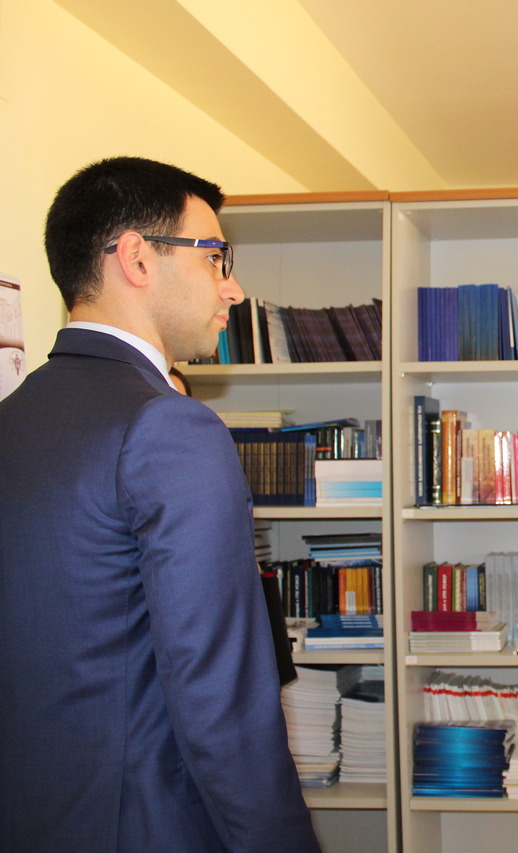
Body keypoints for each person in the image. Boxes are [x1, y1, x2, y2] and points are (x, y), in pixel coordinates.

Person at [0, 157, 319, 852]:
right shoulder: (168, 426)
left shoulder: (13, 418)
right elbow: (221, 697)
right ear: (137, 258)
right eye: (215, 258)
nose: (232, 288)